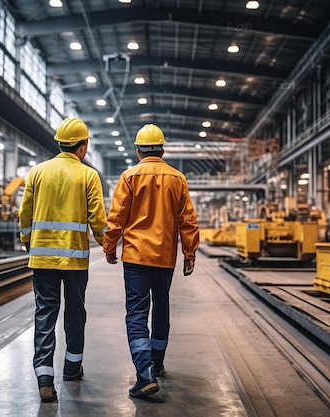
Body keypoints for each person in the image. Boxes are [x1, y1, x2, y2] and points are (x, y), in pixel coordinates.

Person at [103, 124, 199, 398]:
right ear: (163, 150)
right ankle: (157, 363)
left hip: (135, 257)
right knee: (161, 307)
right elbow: (187, 219)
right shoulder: (177, 178)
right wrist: (189, 252)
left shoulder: (129, 176)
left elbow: (117, 216)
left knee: (136, 311)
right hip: (165, 256)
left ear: (138, 151)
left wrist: (110, 246)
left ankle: (144, 373)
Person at [18, 117, 106, 403]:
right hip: (75, 262)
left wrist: (27, 240)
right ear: (83, 147)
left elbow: (25, 212)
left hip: (42, 259)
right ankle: (71, 367)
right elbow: (97, 218)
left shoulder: (37, 172)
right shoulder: (88, 175)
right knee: (75, 313)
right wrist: (107, 242)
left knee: (45, 314)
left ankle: (45, 379)